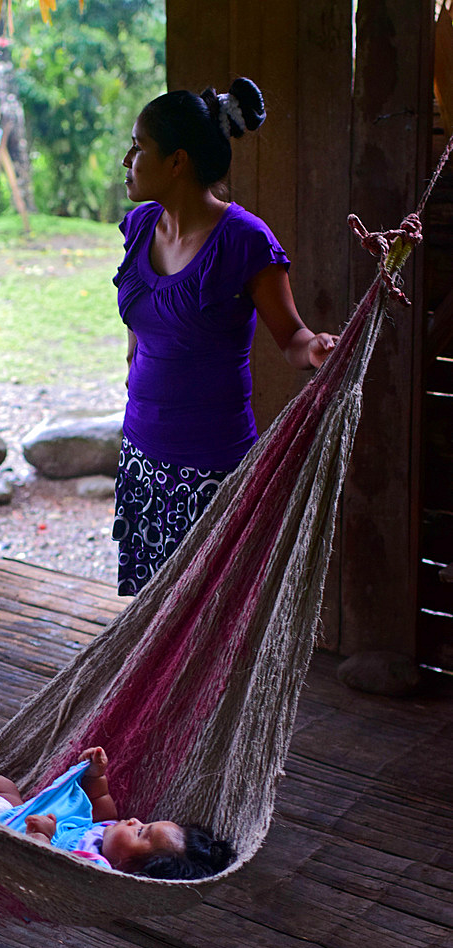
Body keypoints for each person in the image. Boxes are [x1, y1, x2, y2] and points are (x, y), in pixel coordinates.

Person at [111, 78, 339, 595]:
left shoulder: (245, 241)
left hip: (211, 472)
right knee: (150, 629)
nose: (128, 159)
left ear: (177, 161)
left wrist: (316, 349)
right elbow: (139, 327)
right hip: (143, 457)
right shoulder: (140, 227)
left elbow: (292, 337)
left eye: (139, 146)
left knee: (202, 626)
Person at [0, 703, 234, 880]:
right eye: (144, 821)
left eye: (141, 831)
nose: (133, 819)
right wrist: (96, 776)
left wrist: (45, 839)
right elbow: (100, 806)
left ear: (129, 865)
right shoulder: (106, 831)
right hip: (8, 813)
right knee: (1, 786)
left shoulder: (95, 867)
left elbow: (45, 869)